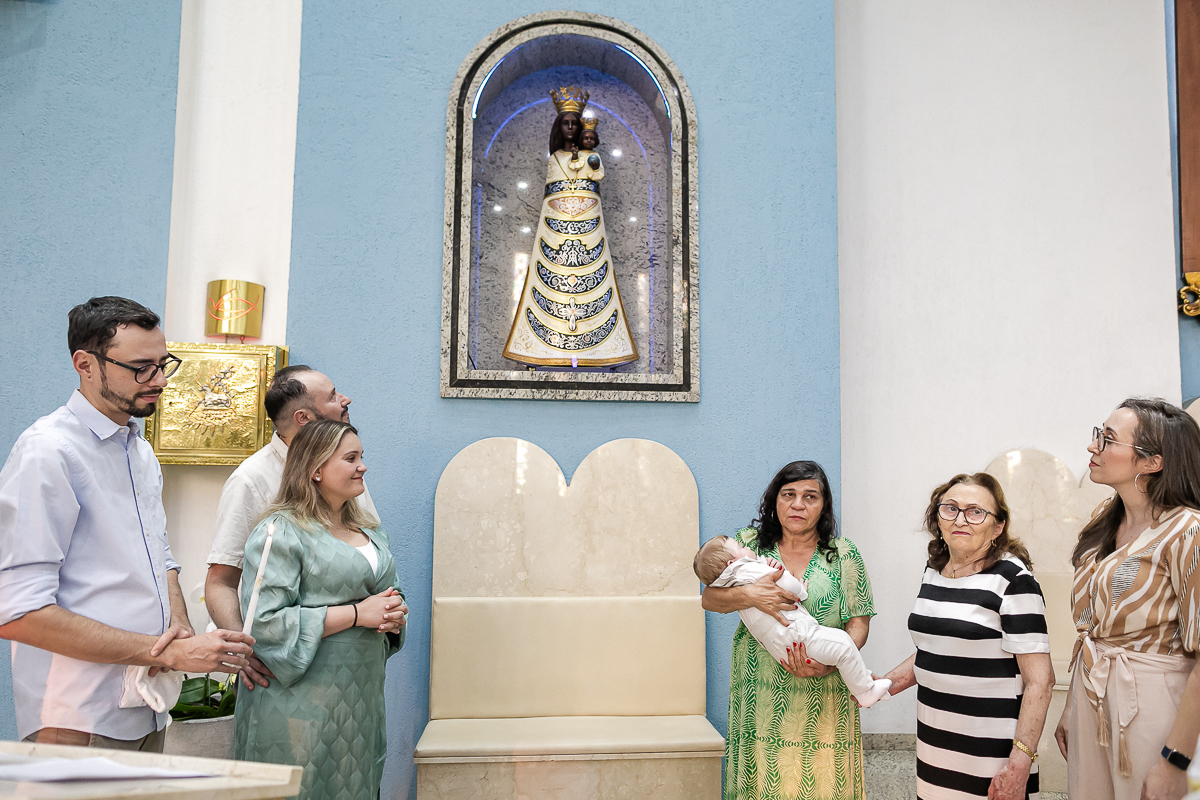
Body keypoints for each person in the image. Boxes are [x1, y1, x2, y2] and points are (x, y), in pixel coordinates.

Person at [0, 296, 254, 751]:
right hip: (78, 712)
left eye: (163, 364)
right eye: (141, 368)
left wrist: (178, 627)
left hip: (145, 703)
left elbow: (160, 555)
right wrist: (168, 651)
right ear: (86, 364)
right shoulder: (48, 452)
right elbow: (18, 612)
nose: (158, 381)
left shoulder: (137, 448)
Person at [234, 419, 406, 800]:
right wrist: (359, 615)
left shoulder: (370, 531)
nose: (362, 466)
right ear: (315, 469)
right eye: (351, 458)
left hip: (360, 698)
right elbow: (264, 623)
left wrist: (394, 613)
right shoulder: (280, 532)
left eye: (361, 456)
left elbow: (383, 598)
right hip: (300, 706)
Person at [701, 461, 876, 800]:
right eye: (789, 494)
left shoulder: (844, 554)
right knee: (764, 782)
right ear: (774, 500)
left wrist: (830, 664)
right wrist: (750, 594)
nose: (798, 504)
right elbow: (710, 599)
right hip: (761, 693)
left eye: (810, 496)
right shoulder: (746, 546)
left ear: (823, 505)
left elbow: (859, 622)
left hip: (825, 691)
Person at [1053, 398, 1200, 800]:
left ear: (1152, 462)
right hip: (1092, 692)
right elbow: (1092, 630)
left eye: (1108, 439)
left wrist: (1175, 759)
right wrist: (1072, 706)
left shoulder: (1188, 531)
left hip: (1154, 700)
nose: (1092, 447)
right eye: (1097, 435)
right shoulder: (1107, 516)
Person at [880, 473, 1054, 800]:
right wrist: (881, 686)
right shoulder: (935, 571)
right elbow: (936, 649)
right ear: (938, 519)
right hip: (936, 745)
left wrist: (1018, 764)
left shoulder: (1013, 580)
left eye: (975, 511)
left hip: (991, 753)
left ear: (998, 527)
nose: (961, 519)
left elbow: (1040, 682)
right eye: (951, 509)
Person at [204, 364, 377, 690]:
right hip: (279, 671)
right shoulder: (251, 480)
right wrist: (244, 651)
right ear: (304, 418)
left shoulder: (349, 471)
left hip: (352, 668)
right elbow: (220, 582)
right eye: (332, 397)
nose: (345, 400)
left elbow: (373, 548)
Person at [502, 86, 638, 367]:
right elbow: (552, 192)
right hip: (555, 229)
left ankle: (601, 350)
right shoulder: (554, 159)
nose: (571, 128)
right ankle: (541, 349)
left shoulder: (589, 157)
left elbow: (594, 176)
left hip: (590, 227)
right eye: (565, 123)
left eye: (574, 124)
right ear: (557, 127)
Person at [694, 535, 892, 707]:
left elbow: (859, 623)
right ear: (732, 563)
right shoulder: (746, 568)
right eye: (740, 547)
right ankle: (865, 692)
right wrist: (798, 588)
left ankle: (866, 682)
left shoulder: (733, 577)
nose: (746, 548)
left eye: (809, 496)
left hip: (782, 645)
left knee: (840, 648)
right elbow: (787, 585)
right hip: (796, 634)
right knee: (843, 646)